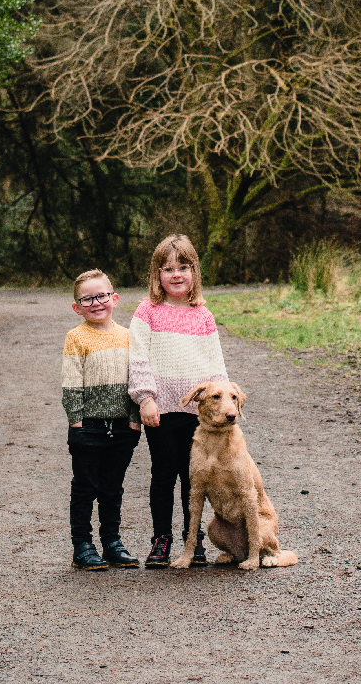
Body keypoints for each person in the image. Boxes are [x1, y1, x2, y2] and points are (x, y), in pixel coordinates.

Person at [129, 234, 228, 568]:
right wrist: (145, 398)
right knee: (163, 474)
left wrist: (223, 407)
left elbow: (217, 366)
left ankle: (192, 539)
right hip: (162, 410)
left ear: (194, 271)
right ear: (157, 274)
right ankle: (161, 539)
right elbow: (138, 358)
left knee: (194, 478)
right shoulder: (148, 311)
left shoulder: (203, 315)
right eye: (167, 268)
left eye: (183, 267)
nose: (176, 274)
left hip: (197, 414)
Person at [62, 269, 142, 570]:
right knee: (85, 487)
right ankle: (82, 546)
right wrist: (77, 421)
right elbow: (71, 383)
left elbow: (136, 381)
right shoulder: (76, 338)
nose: (96, 303)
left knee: (112, 487)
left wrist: (135, 419)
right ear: (77, 307)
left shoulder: (128, 337)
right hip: (89, 428)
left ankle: (111, 542)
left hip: (123, 428)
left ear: (115, 298)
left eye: (102, 296)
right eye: (87, 299)